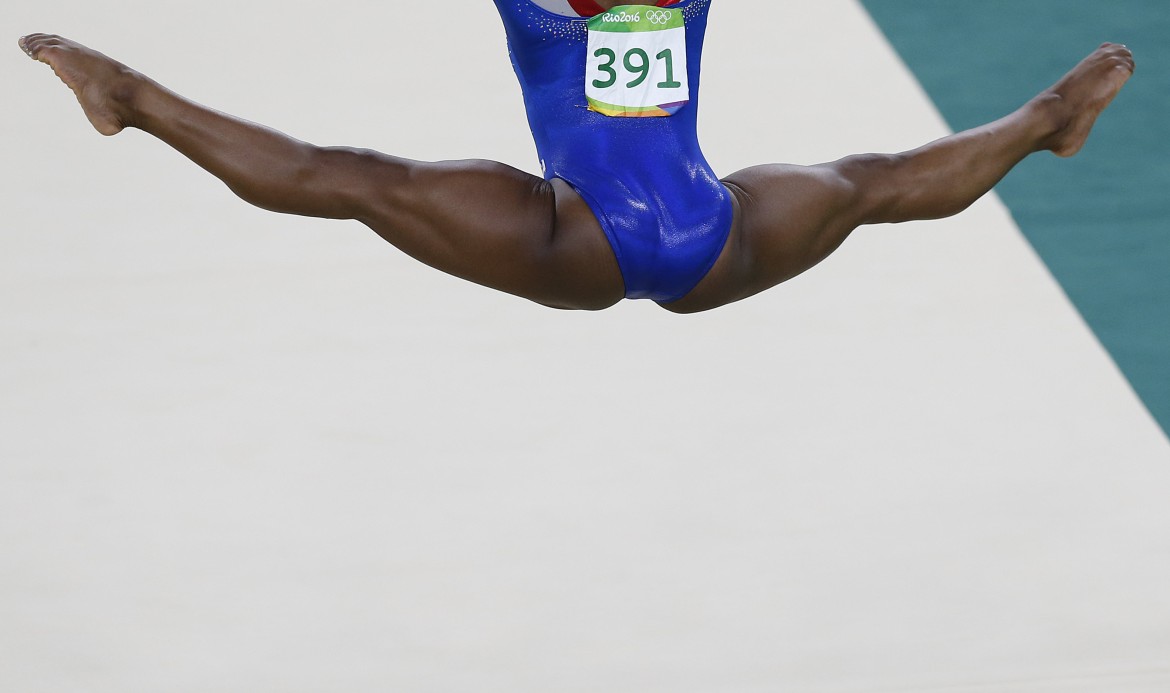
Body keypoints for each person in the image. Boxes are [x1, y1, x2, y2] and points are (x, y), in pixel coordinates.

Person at [16, 0, 1134, 313]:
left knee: (346, 177)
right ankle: (1045, 118)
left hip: (574, 239)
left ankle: (132, 98)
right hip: (716, 234)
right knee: (874, 184)